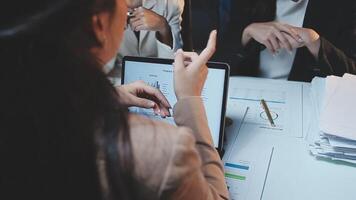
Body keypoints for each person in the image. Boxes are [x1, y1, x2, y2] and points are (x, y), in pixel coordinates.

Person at [0, 0, 228, 200]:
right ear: (98, 26)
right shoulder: (164, 153)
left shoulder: (16, 114)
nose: (129, 7)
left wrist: (110, 95)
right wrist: (190, 99)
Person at [217, 0, 356, 82]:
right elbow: (218, 63)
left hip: (304, 97)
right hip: (249, 89)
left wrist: (315, 42)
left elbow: (351, 73)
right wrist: (247, 34)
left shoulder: (344, 6)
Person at [103, 0, 184, 74]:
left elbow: (173, 68)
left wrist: (163, 27)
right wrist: (111, 31)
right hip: (117, 79)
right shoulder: (99, 6)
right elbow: (99, 69)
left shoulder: (171, 4)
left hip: (156, 76)